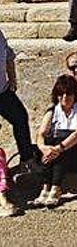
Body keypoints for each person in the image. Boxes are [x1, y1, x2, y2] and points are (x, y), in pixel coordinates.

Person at [33, 75, 77, 208]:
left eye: (69, 94)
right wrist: (44, 148)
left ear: (74, 94)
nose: (65, 97)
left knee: (60, 149)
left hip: (75, 149)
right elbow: (41, 133)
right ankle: (46, 187)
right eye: (61, 94)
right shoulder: (53, 110)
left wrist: (59, 148)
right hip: (56, 149)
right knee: (44, 148)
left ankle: (55, 187)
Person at [0, 28, 35, 168]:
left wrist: (13, 80)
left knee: (20, 118)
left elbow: (8, 55)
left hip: (2, 91)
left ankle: (27, 159)